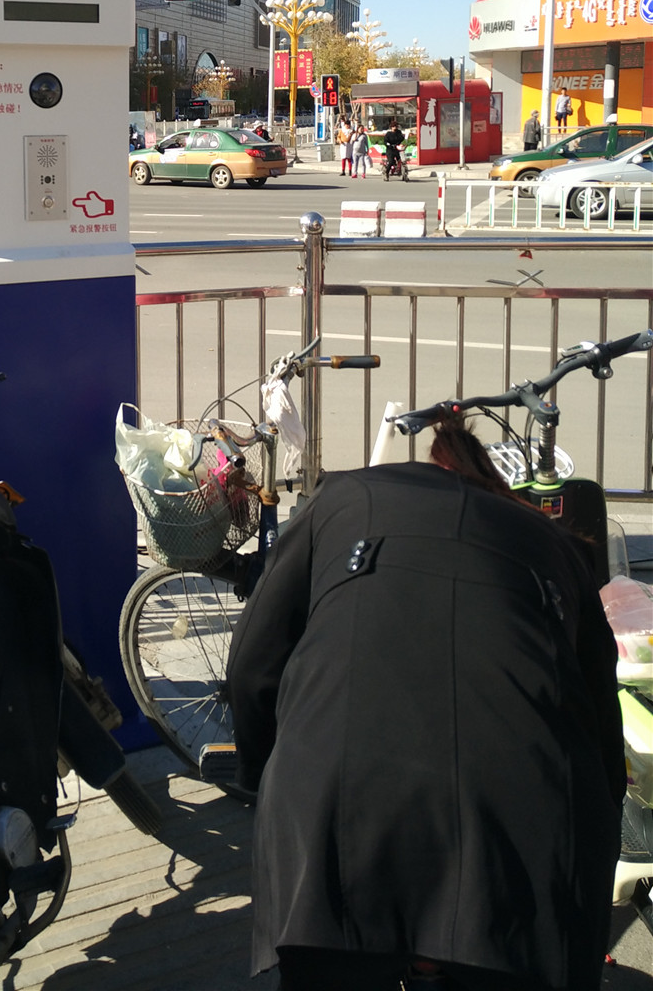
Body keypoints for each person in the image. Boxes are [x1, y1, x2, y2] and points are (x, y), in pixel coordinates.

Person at [227, 417, 624, 991]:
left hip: (337, 812)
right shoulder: (556, 545)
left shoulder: (345, 496)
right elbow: (604, 730)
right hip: (531, 834)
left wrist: (260, 778)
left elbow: (251, 666)